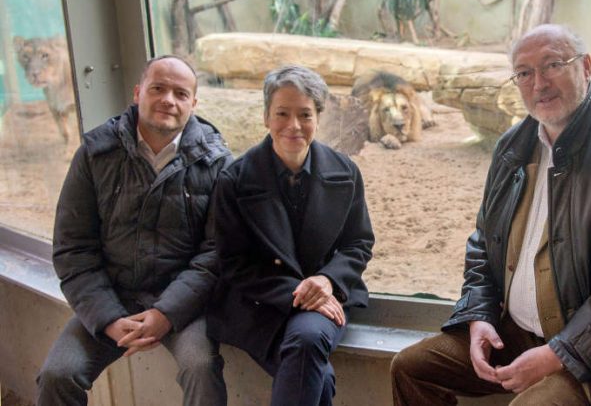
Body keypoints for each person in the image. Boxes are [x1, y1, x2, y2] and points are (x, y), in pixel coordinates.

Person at [390, 24, 591, 406]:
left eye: (552, 65)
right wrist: (480, 315)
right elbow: (484, 242)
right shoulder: (512, 145)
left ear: (586, 67)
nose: (538, 83)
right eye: (525, 72)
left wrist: (559, 354)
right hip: (520, 334)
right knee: (412, 368)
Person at [36, 55, 232, 406]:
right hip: (112, 293)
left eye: (180, 93)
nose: (168, 100)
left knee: (200, 366)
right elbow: (73, 248)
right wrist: (108, 319)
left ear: (194, 104)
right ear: (138, 92)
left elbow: (217, 253)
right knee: (58, 374)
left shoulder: (215, 161)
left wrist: (166, 314)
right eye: (158, 88)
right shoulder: (96, 154)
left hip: (183, 302)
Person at [207, 65, 374, 406]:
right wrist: (302, 291)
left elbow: (359, 242)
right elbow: (232, 262)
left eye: (305, 114)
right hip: (260, 303)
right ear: (266, 116)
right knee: (319, 378)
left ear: (318, 117)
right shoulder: (234, 179)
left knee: (309, 338)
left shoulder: (345, 171)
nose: (293, 125)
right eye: (282, 113)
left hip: (324, 299)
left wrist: (327, 281)